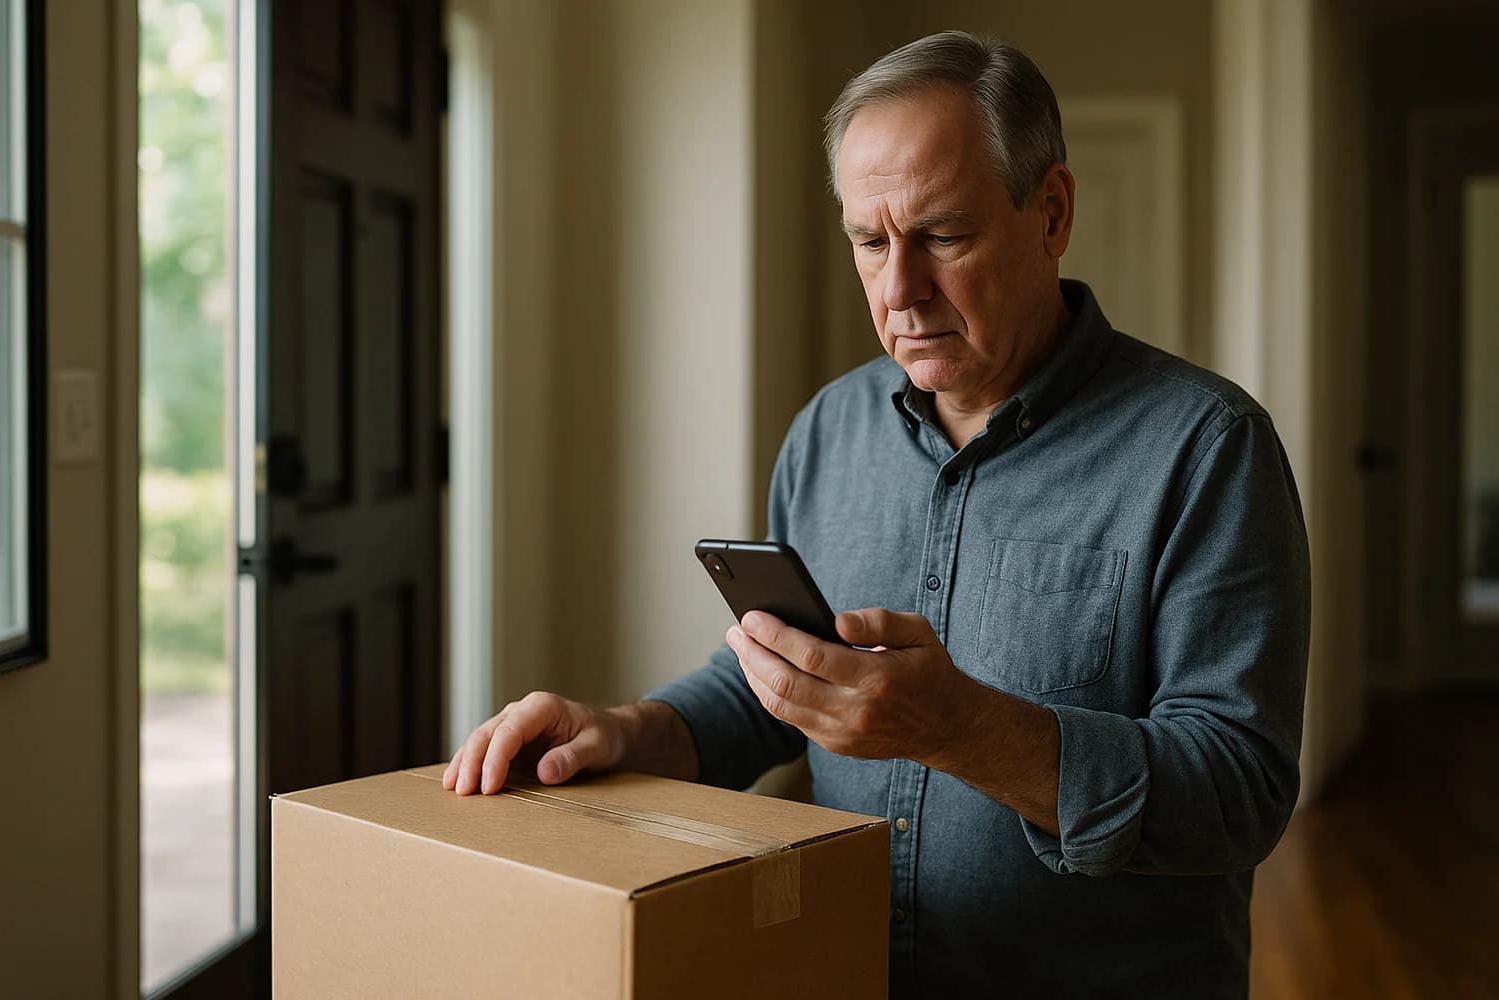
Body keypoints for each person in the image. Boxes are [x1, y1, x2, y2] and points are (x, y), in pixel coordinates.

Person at [444, 30, 1309, 999]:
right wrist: (621, 731)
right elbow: (778, 683)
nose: (900, 289)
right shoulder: (829, 429)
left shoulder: (1207, 447)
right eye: (870, 241)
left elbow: (1240, 790)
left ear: (1052, 211)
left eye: (943, 236)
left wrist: (961, 729)